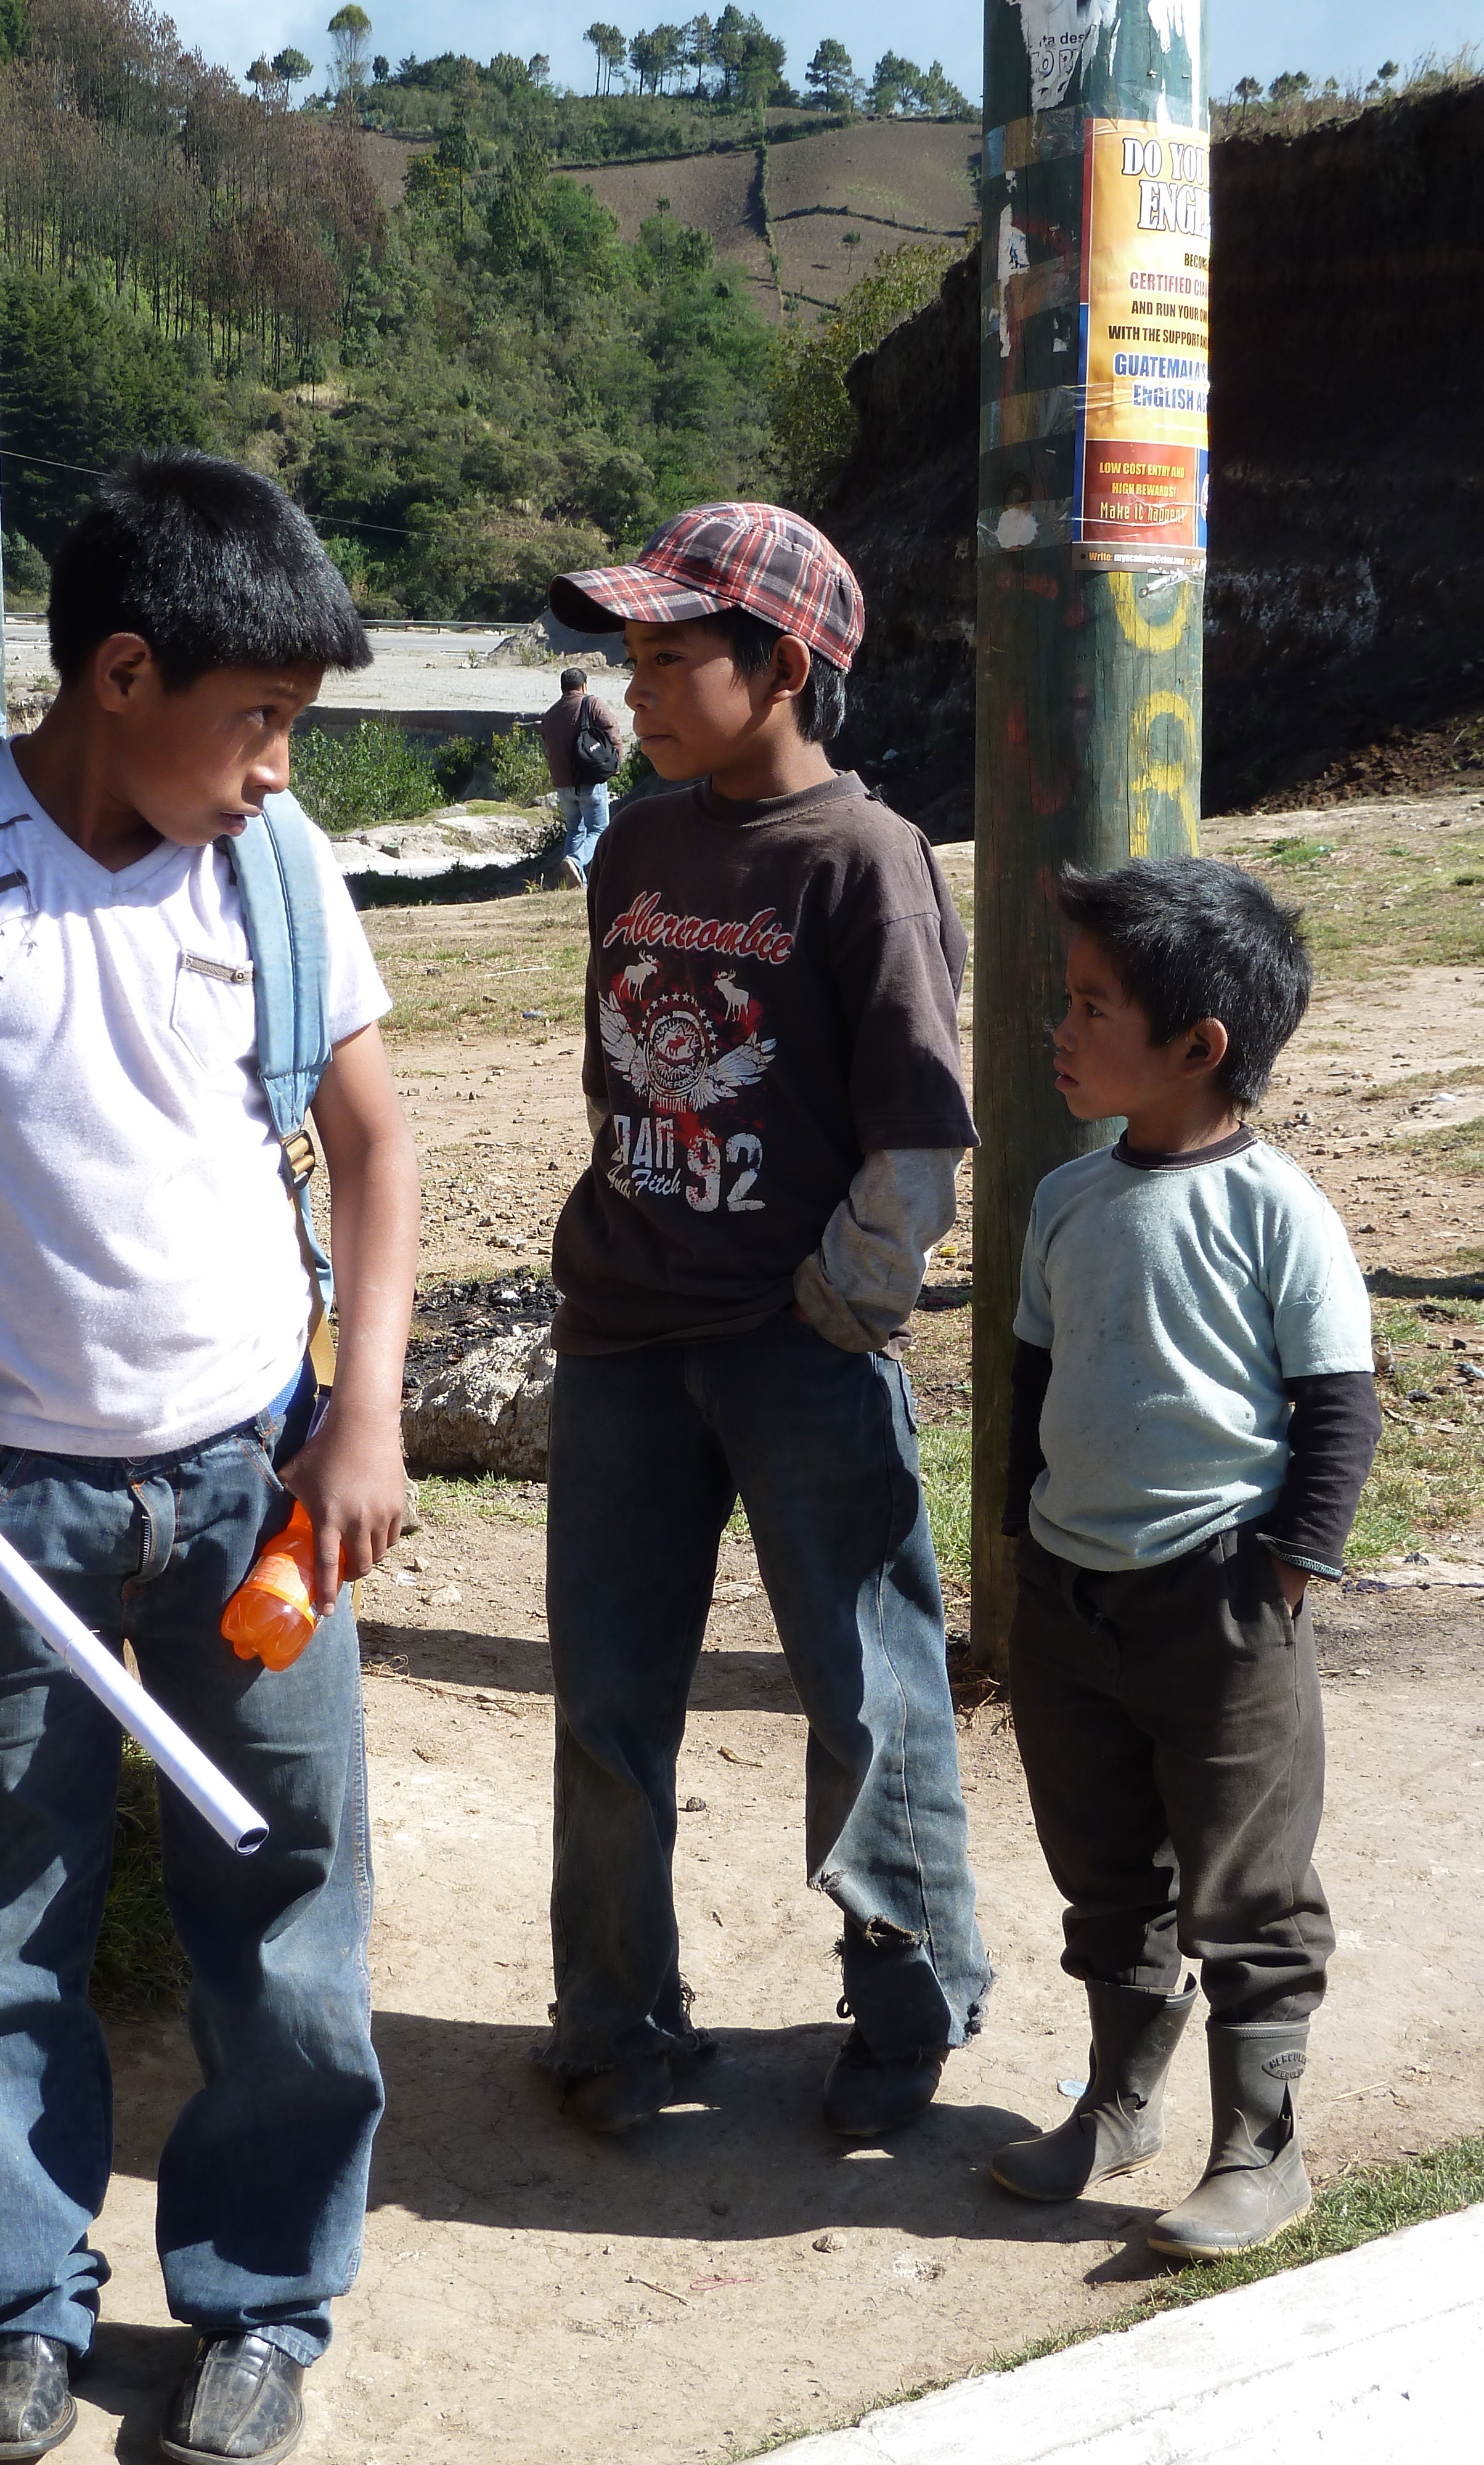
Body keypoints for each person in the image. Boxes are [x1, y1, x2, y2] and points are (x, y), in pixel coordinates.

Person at [0, 452, 419, 2464]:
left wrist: (366, 1410)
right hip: (3, 1516)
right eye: (258, 721)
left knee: (288, 1921)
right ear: (122, 675)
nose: (278, 769)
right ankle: (16, 2304)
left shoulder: (276, 870)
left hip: (252, 1494)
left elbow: (374, 1149)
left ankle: (262, 2306)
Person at [534, 501, 992, 2138]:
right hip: (621, 1342)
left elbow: (919, 1130)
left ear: (784, 668)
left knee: (871, 1695)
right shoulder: (638, 846)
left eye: (672, 659)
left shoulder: (864, 860)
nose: (636, 691)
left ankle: (906, 2007)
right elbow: (623, 1071)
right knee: (607, 1704)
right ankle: (614, 2022)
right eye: (632, 658)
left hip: (796, 1348)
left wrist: (841, 1302)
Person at [988, 859, 1379, 2261]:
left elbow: (1339, 1405)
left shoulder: (1277, 1210)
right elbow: (1032, 1383)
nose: (1060, 1027)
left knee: (1248, 1891)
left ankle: (1260, 2151)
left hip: (1218, 1606)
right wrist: (1022, 1542)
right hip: (1068, 1602)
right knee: (1103, 1869)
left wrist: (1286, 1571)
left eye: (1093, 1007)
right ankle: (1118, 2101)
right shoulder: (1065, 1198)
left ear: (1198, 1046)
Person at [539, 664, 624, 886]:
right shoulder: (591, 703)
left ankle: (576, 883)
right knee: (599, 829)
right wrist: (615, 763)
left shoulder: (550, 715)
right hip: (589, 781)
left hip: (563, 785)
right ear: (584, 685)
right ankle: (576, 862)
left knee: (574, 831)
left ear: (562, 688)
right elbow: (612, 730)